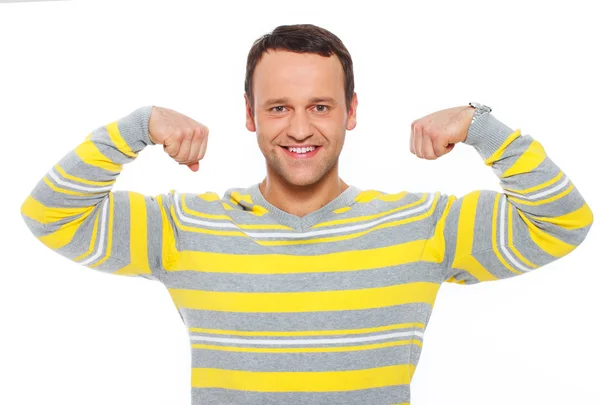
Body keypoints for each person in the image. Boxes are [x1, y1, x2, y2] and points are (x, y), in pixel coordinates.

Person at [20, 23, 593, 405]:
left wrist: (480, 125)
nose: (298, 128)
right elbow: (50, 214)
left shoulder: (421, 226)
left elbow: (563, 222)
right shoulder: (186, 229)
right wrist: (136, 127)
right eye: (278, 108)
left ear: (351, 112)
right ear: (250, 115)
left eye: (320, 106)